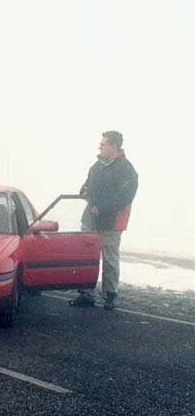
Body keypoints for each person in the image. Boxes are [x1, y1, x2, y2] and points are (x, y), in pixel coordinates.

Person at [70, 131, 138, 310]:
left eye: (103, 145)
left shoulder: (127, 170)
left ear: (114, 147)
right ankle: (86, 293)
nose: (99, 147)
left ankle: (109, 295)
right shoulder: (97, 166)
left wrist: (101, 208)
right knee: (88, 257)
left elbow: (124, 197)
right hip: (90, 220)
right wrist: (86, 195)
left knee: (109, 258)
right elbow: (85, 186)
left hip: (112, 222)